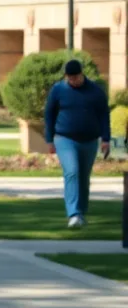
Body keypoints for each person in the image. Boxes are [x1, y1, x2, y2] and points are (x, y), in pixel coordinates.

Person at [45, 59, 112, 229]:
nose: (73, 81)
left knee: (84, 177)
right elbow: (49, 114)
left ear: (82, 74)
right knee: (72, 172)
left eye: (75, 78)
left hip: (89, 140)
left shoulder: (95, 91)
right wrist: (49, 139)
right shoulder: (59, 89)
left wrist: (105, 139)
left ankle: (81, 211)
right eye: (70, 78)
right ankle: (73, 213)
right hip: (64, 138)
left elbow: (104, 115)